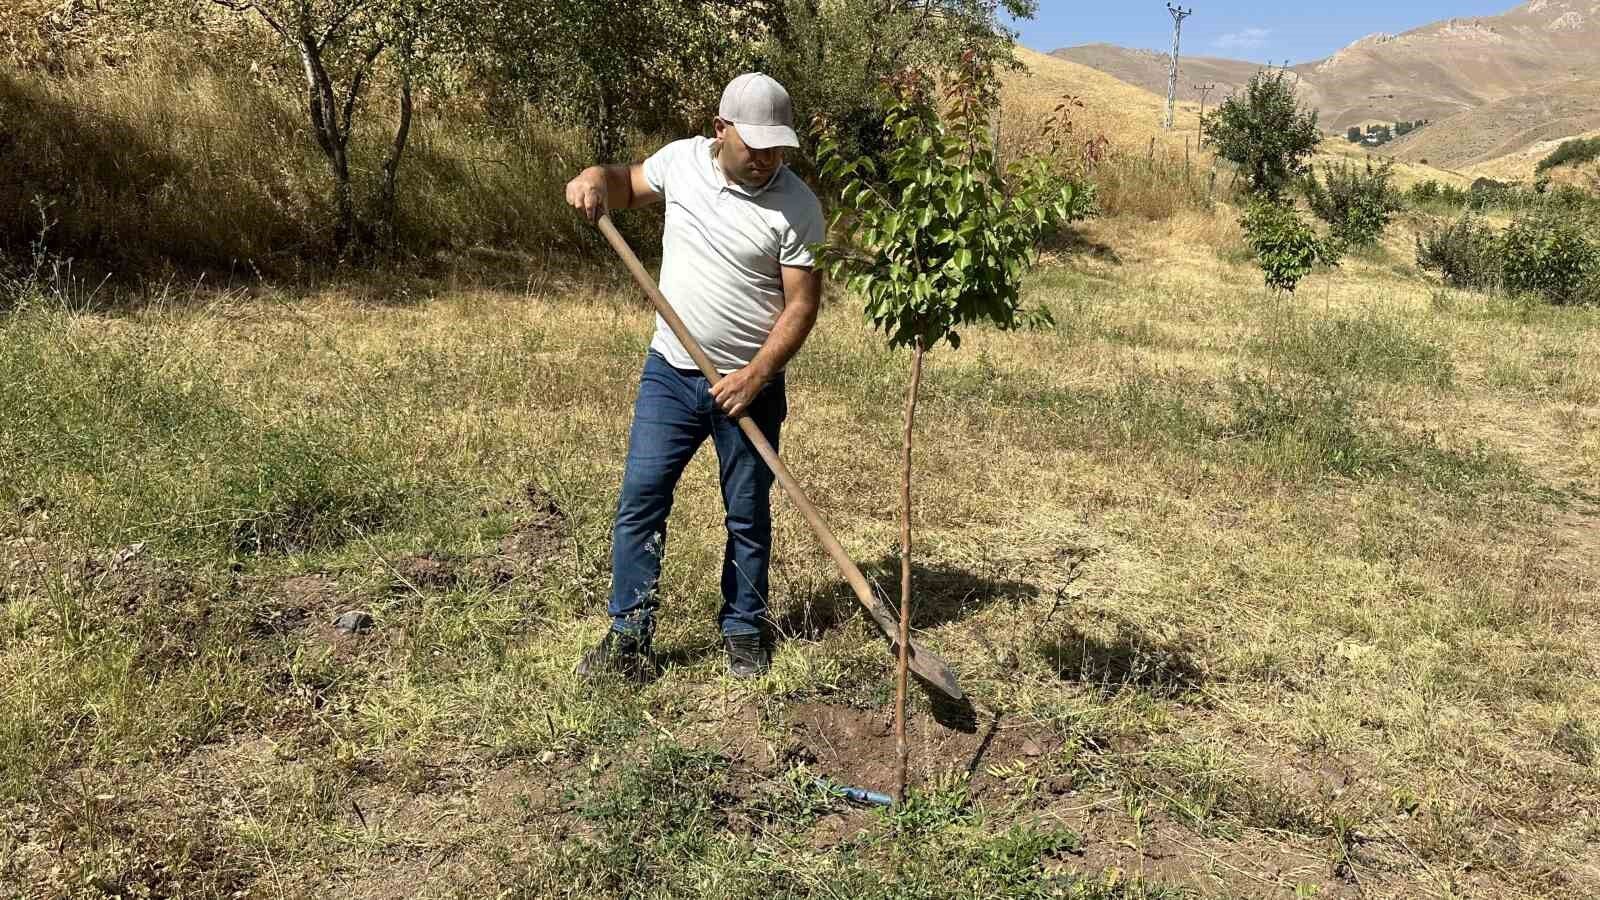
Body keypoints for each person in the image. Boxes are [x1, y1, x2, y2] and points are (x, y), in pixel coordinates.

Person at [563, 72, 825, 679]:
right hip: (671, 377)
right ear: (719, 131)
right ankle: (629, 635)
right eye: (753, 145)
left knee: (747, 512)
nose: (765, 159)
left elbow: (802, 306)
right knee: (642, 500)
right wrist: (592, 179)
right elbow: (624, 184)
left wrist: (755, 376)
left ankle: (743, 627)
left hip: (749, 389)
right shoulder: (681, 163)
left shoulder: (798, 206)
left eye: (776, 147)